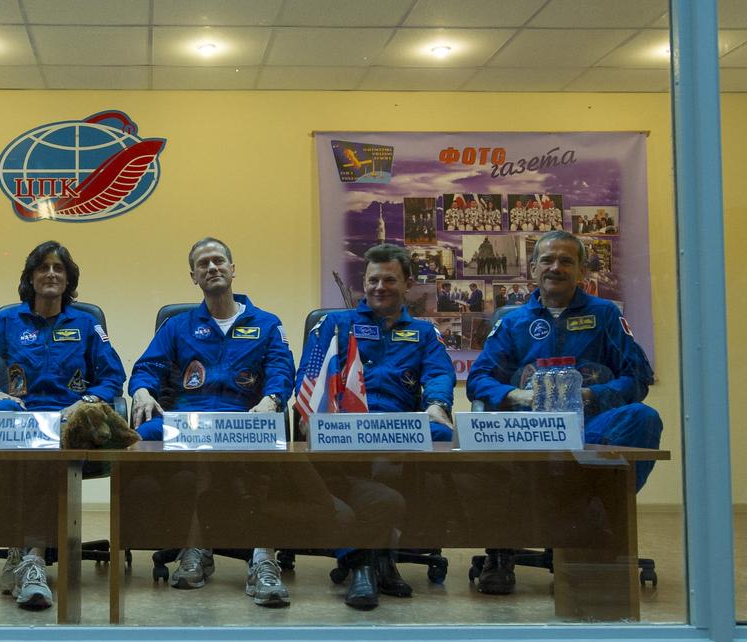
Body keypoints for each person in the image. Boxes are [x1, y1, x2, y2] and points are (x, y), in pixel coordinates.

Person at [467, 230, 663, 595]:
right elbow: (479, 380)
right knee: (486, 432)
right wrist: (516, 396)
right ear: (533, 268)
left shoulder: (605, 316)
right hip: (529, 429)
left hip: (589, 426)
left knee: (643, 417)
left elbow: (637, 378)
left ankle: (593, 526)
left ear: (581, 271)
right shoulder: (512, 322)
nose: (555, 267)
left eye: (566, 261)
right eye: (547, 260)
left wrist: (592, 394)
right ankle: (501, 550)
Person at [128, 237, 298, 607]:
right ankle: (193, 546)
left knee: (271, 446)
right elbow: (146, 367)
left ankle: (263, 557)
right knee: (137, 437)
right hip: (189, 421)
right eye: (203, 264)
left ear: (233, 270)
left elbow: (282, 369)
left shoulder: (267, 324)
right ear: (193, 276)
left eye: (218, 261)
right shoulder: (178, 325)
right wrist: (141, 391)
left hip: (245, 420)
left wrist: (271, 400)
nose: (212, 268)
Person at [0, 240, 126, 611]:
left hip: (68, 423)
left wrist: (84, 403)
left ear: (69, 279)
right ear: (31, 278)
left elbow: (112, 377)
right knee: (14, 434)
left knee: (46, 450)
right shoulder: (7, 321)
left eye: (59, 268)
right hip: (23, 422)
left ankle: (31, 556)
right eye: (43, 268)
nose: (51, 274)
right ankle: (29, 552)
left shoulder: (86, 324)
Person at [295, 243, 454, 608]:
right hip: (346, 429)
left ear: (407, 283)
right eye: (372, 280)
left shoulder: (425, 333)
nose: (379, 287)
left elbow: (440, 373)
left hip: (400, 433)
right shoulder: (337, 323)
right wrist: (310, 413)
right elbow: (310, 371)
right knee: (363, 467)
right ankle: (370, 561)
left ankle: (373, 554)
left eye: (389, 279)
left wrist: (436, 404)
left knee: (444, 435)